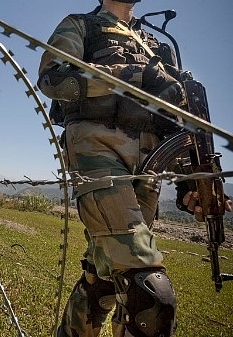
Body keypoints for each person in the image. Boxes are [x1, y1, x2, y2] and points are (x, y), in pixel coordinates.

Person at [37, 1, 232, 336]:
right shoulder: (82, 25)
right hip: (97, 146)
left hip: (150, 161)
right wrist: (134, 76)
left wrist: (189, 180)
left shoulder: (158, 44)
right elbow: (54, 80)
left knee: (105, 280)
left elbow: (178, 120)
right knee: (149, 292)